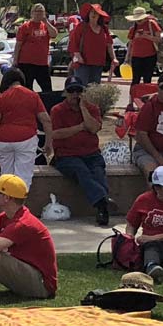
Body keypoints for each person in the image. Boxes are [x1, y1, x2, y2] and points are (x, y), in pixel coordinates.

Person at [0, 174, 59, 299]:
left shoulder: (23, 223)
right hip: (29, 275)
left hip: (42, 286)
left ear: (6, 198)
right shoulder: (6, 217)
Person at [47, 78, 111, 224]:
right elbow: (56, 134)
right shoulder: (57, 110)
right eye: (71, 91)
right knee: (81, 171)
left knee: (98, 173)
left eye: (78, 91)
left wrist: (83, 109)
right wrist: (80, 127)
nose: (75, 95)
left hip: (91, 153)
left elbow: (94, 128)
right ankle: (103, 202)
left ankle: (102, 208)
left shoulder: (92, 109)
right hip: (66, 156)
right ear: (65, 93)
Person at [0, 69, 48, 186]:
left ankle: (5, 200)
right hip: (26, 138)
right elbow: (46, 120)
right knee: (23, 177)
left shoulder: (2, 97)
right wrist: (49, 142)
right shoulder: (33, 96)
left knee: (6, 176)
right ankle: (19, 202)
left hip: (4, 139)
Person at [13, 2, 55, 97]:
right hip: (27, 63)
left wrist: (46, 22)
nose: (39, 14)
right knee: (27, 88)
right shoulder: (25, 27)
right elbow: (18, 44)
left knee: (47, 89)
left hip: (42, 63)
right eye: (37, 11)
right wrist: (15, 60)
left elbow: (54, 34)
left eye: (41, 12)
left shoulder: (45, 26)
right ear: (32, 13)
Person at [125, 6, 163, 85]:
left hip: (150, 55)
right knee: (135, 79)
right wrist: (127, 57)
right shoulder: (133, 28)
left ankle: (146, 95)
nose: (138, 21)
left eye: (140, 19)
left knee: (147, 78)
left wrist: (146, 36)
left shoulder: (151, 24)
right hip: (136, 56)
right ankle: (133, 95)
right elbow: (130, 43)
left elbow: (159, 39)